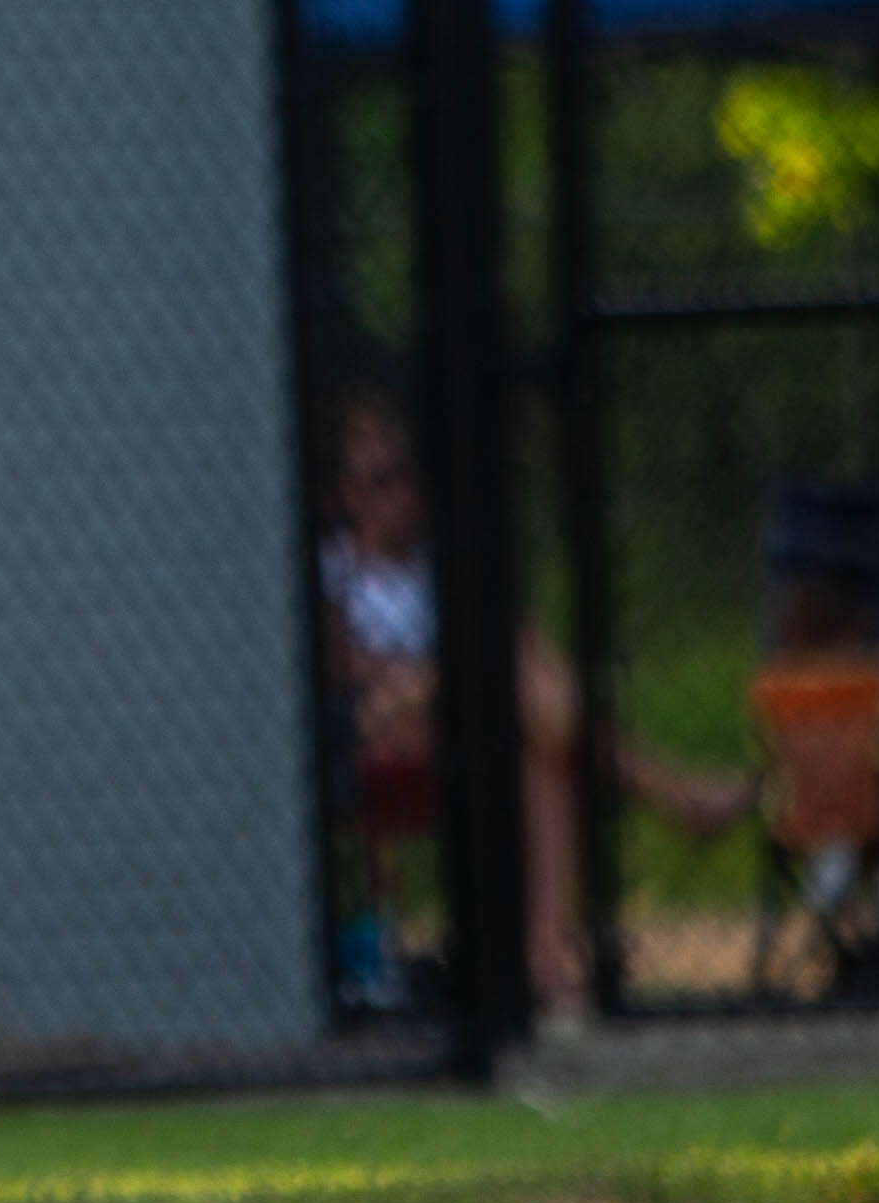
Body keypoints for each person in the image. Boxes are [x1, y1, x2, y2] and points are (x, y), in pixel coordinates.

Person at [317, 398, 741, 1012]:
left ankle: (544, 957)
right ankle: (674, 794)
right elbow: (340, 668)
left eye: (406, 474)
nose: (400, 494)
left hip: (462, 717)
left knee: (541, 737)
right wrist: (437, 671)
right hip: (375, 723)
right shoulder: (336, 569)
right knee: (513, 681)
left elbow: (521, 645)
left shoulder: (441, 564)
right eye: (379, 479)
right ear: (347, 493)